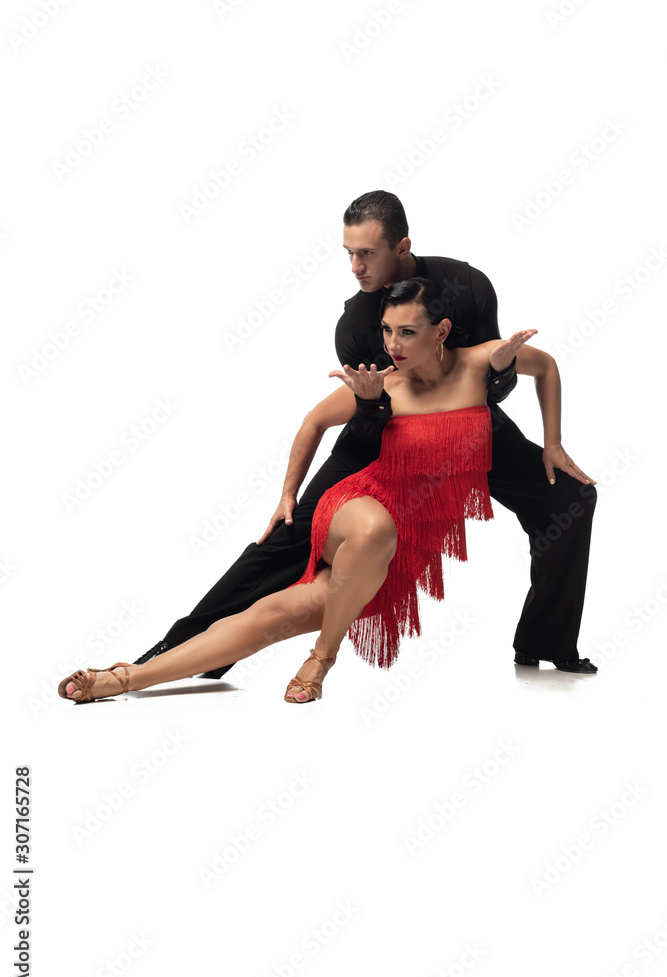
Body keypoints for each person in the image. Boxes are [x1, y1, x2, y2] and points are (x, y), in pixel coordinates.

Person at [58, 278, 593, 706]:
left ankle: (126, 678)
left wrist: (553, 443)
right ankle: (323, 660)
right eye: (387, 331)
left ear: (441, 330)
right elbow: (312, 423)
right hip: (356, 508)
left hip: (396, 548)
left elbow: (545, 366)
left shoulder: (482, 364)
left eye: (407, 332)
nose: (392, 345)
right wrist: (288, 497)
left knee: (270, 618)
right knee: (374, 525)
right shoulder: (383, 384)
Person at [134, 190, 598, 675]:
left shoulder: (467, 284)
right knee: (287, 536)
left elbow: (493, 382)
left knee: (570, 499)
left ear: (402, 247)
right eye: (349, 253)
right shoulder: (356, 324)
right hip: (385, 436)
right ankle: (184, 651)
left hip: (470, 425)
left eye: (367, 253)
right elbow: (367, 411)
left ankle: (545, 642)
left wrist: (551, 441)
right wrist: (290, 493)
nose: (355, 266)